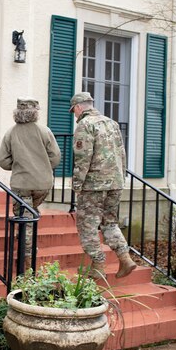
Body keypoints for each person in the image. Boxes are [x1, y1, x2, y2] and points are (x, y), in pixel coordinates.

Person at [70, 92, 137, 280]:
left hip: (94, 185)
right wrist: (121, 177)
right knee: (110, 222)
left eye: (74, 111)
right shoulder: (112, 123)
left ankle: (98, 266)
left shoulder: (85, 125)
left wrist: (77, 184)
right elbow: (122, 153)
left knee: (87, 226)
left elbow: (83, 158)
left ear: (78, 107)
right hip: (115, 182)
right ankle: (125, 258)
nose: (74, 115)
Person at [0, 98, 61, 268]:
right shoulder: (45, 131)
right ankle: (27, 248)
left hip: (22, 184)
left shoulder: (11, 132)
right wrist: (42, 166)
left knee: (25, 220)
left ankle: (27, 263)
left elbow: (3, 161)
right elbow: (55, 157)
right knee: (30, 214)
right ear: (35, 112)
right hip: (43, 183)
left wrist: (17, 165)